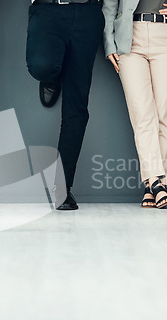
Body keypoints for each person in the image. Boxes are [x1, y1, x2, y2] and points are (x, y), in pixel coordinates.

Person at [103, 0, 167, 208]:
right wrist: (109, 43)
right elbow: (109, 6)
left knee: (163, 115)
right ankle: (158, 183)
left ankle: (153, 187)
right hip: (129, 36)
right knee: (142, 114)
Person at [26, 0, 106, 210]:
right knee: (42, 66)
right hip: (47, 8)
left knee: (77, 106)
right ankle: (52, 75)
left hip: (88, 12)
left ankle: (61, 188)